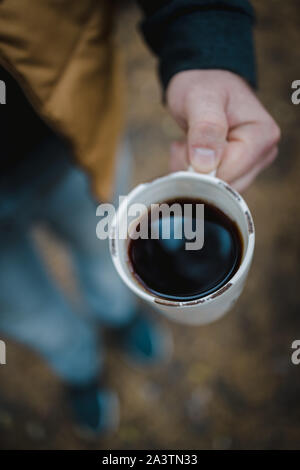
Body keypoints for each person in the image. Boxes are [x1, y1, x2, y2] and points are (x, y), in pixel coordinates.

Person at [0, 0, 280, 436]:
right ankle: (81, 371)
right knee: (35, 318)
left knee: (106, 259)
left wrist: (206, 37)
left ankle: (120, 318)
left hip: (74, 146)